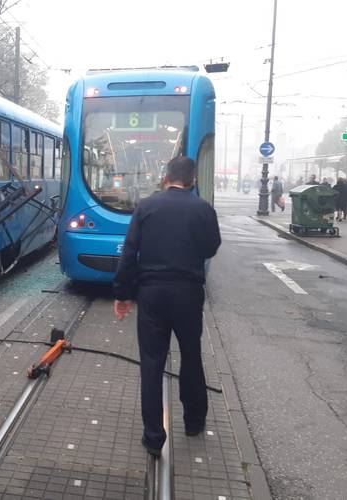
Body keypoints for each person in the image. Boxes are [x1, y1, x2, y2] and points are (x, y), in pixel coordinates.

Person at [113, 156, 222, 457]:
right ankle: (194, 422)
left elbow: (129, 253)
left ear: (165, 177)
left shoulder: (146, 207)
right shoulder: (203, 209)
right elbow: (212, 246)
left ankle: (153, 437)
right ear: (193, 180)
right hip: (188, 293)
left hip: (152, 294)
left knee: (151, 362)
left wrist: (123, 294)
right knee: (191, 355)